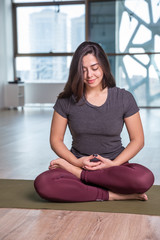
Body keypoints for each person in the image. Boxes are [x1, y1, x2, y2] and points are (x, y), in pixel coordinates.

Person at [34, 41, 154, 202]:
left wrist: (114, 164)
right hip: (78, 164)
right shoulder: (65, 101)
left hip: (115, 168)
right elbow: (56, 140)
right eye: (83, 71)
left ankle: (84, 180)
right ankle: (111, 195)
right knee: (44, 184)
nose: (89, 75)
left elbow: (138, 140)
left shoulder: (124, 98)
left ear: (103, 66)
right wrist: (76, 163)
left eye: (94, 68)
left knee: (143, 178)